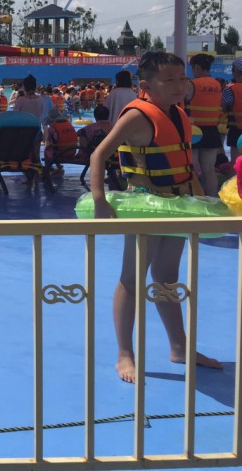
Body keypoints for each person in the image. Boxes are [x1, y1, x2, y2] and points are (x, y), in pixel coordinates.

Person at [89, 51, 222, 383]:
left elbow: (183, 162)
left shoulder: (178, 114)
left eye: (182, 79)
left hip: (176, 204)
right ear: (146, 86)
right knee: (131, 278)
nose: (179, 86)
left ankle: (179, 347)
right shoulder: (136, 116)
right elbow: (98, 155)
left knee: (167, 277)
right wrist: (99, 199)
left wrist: (199, 200)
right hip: (145, 205)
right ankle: (125, 354)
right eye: (169, 80)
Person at [186, 53, 223, 197]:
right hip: (211, 131)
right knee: (209, 170)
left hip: (194, 132)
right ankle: (213, 198)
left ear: (197, 67)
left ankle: (196, 199)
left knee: (193, 169)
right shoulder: (217, 85)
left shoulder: (191, 84)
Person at [222, 57, 242, 163]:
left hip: (236, 130)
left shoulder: (230, 89)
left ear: (236, 71)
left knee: (236, 163)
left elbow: (224, 108)